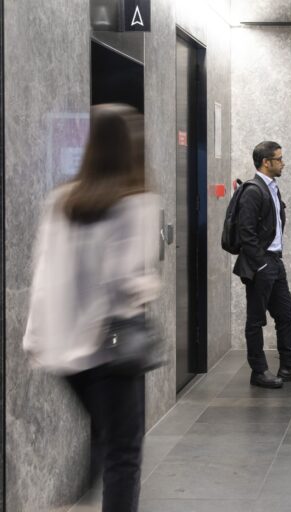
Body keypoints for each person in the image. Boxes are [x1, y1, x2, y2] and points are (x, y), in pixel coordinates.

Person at [23, 104, 160, 512]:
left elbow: (43, 273)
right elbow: (129, 281)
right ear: (132, 146)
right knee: (124, 452)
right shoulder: (136, 202)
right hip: (112, 349)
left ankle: (77, 500)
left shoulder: (61, 201)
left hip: (65, 352)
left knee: (103, 433)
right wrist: (150, 283)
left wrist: (35, 337)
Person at [233, 141, 291, 388]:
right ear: (266, 162)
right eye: (279, 159)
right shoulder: (253, 190)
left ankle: (289, 366)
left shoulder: (272, 188)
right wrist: (260, 264)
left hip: (275, 261)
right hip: (261, 263)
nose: (283, 163)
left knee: (286, 315)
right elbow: (245, 232)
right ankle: (258, 371)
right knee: (256, 319)